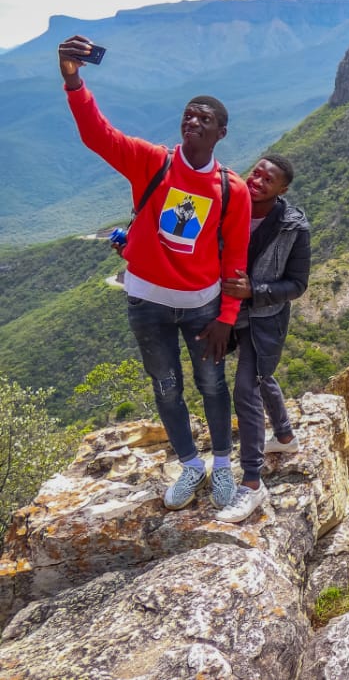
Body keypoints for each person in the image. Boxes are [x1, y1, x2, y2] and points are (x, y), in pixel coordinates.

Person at [58, 35, 251, 512]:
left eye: (205, 118)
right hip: (147, 302)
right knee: (165, 385)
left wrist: (227, 317)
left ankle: (222, 466)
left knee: (211, 385)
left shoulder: (232, 189)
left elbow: (236, 260)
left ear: (221, 133)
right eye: (188, 113)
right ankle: (189, 463)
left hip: (202, 304)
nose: (193, 120)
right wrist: (73, 79)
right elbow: (97, 134)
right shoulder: (152, 161)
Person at [217, 155, 311, 523]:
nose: (257, 180)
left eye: (268, 179)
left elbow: (297, 284)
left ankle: (252, 483)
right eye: (256, 172)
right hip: (226, 313)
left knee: (246, 389)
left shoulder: (293, 228)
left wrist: (254, 290)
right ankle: (285, 437)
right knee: (258, 376)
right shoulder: (229, 205)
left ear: (282, 189)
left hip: (264, 319)